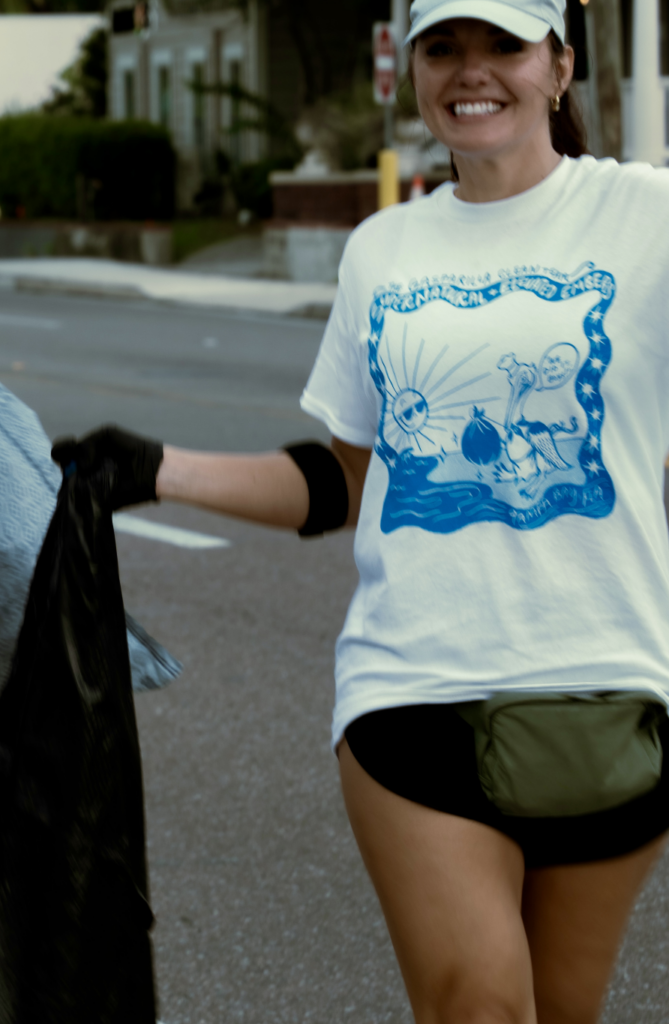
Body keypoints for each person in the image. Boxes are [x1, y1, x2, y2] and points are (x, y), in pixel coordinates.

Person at [59, 1, 668, 1019]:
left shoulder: (647, 214)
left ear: (560, 66)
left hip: (613, 686)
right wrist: (153, 467)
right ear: (413, 72)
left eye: (504, 45)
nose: (473, 71)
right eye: (444, 47)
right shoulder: (383, 250)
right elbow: (344, 478)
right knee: (481, 1005)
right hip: (414, 687)